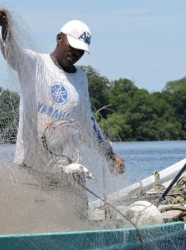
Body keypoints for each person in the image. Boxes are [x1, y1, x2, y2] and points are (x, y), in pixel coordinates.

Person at [0, 9, 125, 218]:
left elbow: (88, 122)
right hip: (32, 166)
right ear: (59, 39)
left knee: (78, 219)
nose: (76, 53)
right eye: (73, 46)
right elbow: (11, 53)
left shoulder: (81, 78)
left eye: (81, 51)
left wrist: (110, 156)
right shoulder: (34, 63)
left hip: (69, 168)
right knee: (36, 220)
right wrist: (5, 28)